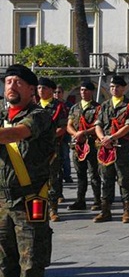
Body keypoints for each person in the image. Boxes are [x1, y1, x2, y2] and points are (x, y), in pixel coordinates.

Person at [0, 64, 54, 277]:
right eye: (8, 81)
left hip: (30, 199)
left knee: (31, 264)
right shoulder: (0, 114)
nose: (11, 86)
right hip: (2, 201)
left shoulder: (39, 115)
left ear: (32, 89)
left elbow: (17, 133)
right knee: (4, 265)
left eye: (18, 82)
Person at [94, 75, 129, 223]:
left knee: (123, 179)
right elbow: (98, 124)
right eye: (112, 87)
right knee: (106, 179)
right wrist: (102, 138)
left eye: (117, 86)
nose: (114, 89)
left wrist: (111, 137)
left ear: (124, 88)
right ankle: (105, 210)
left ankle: (127, 211)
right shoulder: (104, 105)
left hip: (121, 147)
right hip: (106, 147)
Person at [66, 81, 102, 211]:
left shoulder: (98, 108)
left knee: (94, 174)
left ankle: (97, 200)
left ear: (92, 92)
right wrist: (76, 134)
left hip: (91, 144)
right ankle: (80, 200)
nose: (83, 92)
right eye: (81, 90)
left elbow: (98, 126)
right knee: (80, 174)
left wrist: (84, 132)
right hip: (77, 146)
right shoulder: (75, 107)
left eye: (86, 90)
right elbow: (69, 125)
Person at [36, 77, 68, 222]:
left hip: (51, 148)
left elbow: (62, 127)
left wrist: (48, 137)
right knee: (36, 180)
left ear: (50, 90)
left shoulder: (58, 107)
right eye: (39, 88)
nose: (41, 91)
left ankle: (53, 209)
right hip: (34, 150)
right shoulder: (34, 106)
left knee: (52, 179)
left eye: (44, 88)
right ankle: (37, 210)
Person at [54, 85, 73, 184]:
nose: (57, 94)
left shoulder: (68, 105)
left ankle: (67, 175)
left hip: (65, 136)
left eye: (59, 92)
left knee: (65, 156)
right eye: (55, 92)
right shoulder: (53, 105)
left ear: (62, 93)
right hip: (54, 136)